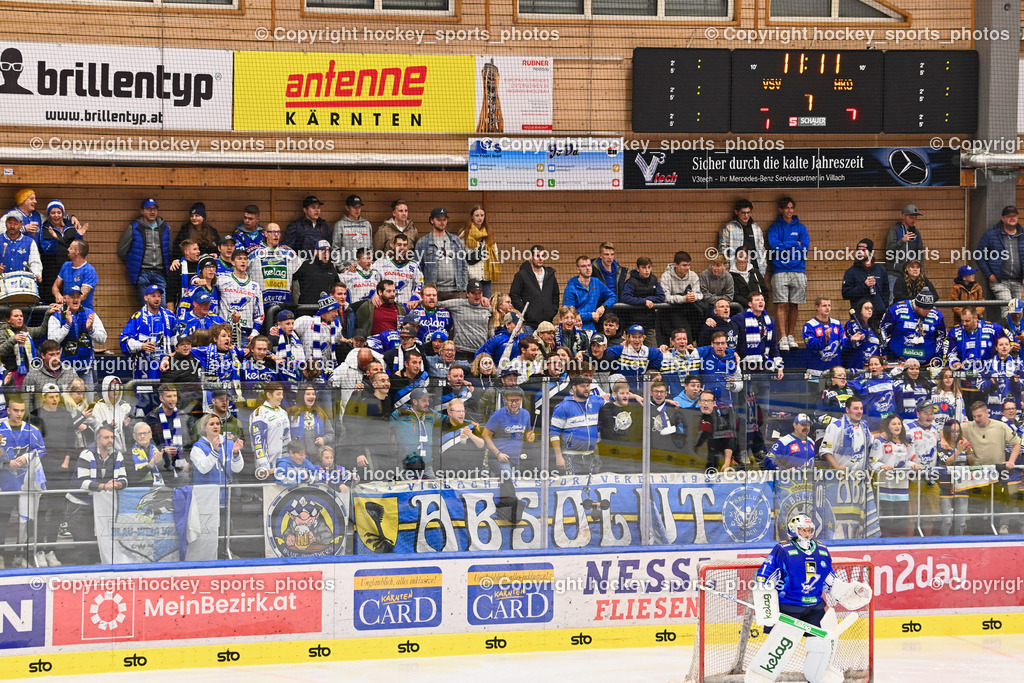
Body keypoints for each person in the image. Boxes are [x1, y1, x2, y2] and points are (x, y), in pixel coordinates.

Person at [752, 515, 873, 683]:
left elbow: (829, 581)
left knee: (821, 643)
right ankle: (762, 676)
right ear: (794, 530)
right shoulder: (783, 549)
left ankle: (817, 675)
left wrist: (846, 591)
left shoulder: (822, 550)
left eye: (809, 530)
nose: (806, 533)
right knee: (781, 646)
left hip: (815, 607)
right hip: (789, 607)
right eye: (803, 529)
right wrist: (765, 599)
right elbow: (766, 575)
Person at [66, 424, 126, 565]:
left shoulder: (118, 454)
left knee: (99, 542)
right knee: (83, 543)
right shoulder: (87, 453)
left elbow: (124, 478)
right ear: (98, 440)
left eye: (112, 437)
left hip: (102, 504)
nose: (110, 440)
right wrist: (105, 486)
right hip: (79, 504)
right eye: (106, 437)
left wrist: (118, 484)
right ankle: (82, 577)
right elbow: (82, 482)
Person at [30, 384, 75, 566]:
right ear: (44, 397)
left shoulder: (65, 414)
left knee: (57, 511)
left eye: (57, 396)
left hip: (61, 469)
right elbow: (32, 443)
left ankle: (51, 550)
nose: (55, 399)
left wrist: (65, 462)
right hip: (41, 469)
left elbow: (71, 441)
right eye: (51, 396)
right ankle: (39, 550)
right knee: (41, 510)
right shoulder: (35, 415)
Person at [960, 400, 1021, 534]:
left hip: (997, 471)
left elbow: (1017, 443)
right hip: (977, 472)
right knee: (977, 506)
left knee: (998, 504)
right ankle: (977, 534)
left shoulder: (1001, 426)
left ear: (987, 413)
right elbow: (948, 428)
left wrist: (1011, 461)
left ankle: (998, 531)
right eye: (974, 416)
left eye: (979, 416)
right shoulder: (968, 426)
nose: (976, 419)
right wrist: (944, 440)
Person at [0, 396, 46, 568]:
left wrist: (27, 457)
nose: (19, 414)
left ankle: (20, 555)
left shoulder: (32, 430)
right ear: (9, 410)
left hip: (26, 486)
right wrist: (6, 462)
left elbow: (41, 449)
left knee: (26, 521)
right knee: (2, 521)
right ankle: (1, 555)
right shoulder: (0, 429)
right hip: (5, 485)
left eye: (22, 411)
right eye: (15, 410)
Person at [767, 196, 809, 350]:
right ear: (781, 209)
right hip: (779, 270)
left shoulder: (801, 228)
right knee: (781, 303)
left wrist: (787, 249)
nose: (789, 211)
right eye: (787, 208)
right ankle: (782, 337)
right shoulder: (775, 227)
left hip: (798, 270)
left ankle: (791, 336)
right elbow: (775, 247)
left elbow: (804, 248)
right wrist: (793, 244)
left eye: (792, 208)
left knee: (794, 304)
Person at [870, 413, 919, 537]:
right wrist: (882, 466)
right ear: (888, 426)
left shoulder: (907, 442)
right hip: (885, 486)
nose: (897, 426)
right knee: (887, 517)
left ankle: (898, 542)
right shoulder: (880, 442)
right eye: (894, 424)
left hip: (902, 486)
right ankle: (885, 541)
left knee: (901, 517)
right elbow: (872, 462)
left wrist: (913, 465)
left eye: (899, 424)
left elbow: (909, 460)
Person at [117, 198, 171, 304]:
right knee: (146, 307)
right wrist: (133, 263)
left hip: (160, 273)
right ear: (142, 211)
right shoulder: (134, 227)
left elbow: (170, 250)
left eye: (154, 209)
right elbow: (122, 251)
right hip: (142, 274)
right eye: (148, 209)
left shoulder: (165, 228)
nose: (152, 212)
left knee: (162, 306)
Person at [975, 205, 1024, 316]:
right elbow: (979, 254)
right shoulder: (991, 235)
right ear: (1003, 218)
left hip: (1018, 281)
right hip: (1000, 282)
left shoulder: (1022, 235)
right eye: (1009, 216)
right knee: (1007, 309)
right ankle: (1008, 333)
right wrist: (989, 274)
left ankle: (1018, 333)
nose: (1012, 218)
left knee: (1018, 311)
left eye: (1014, 216)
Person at [550, 376, 603, 474]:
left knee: (590, 487)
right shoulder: (563, 406)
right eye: (583, 386)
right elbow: (554, 433)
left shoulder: (596, 401)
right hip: (570, 457)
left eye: (588, 386)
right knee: (571, 488)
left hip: (590, 456)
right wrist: (558, 456)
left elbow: (616, 398)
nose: (587, 388)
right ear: (574, 388)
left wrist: (636, 397)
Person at [415, 207, 469, 301]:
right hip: (434, 293)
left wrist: (464, 287)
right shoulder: (423, 243)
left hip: (456, 291)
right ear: (432, 220)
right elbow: (417, 269)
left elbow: (463, 265)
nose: (442, 222)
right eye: (439, 219)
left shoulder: (456, 241)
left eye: (444, 219)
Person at [39, 199, 87, 305]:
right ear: (48, 214)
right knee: (53, 301)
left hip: (70, 270)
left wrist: (79, 236)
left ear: (63, 214)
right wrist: (54, 239)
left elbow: (77, 248)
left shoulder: (70, 226)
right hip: (51, 271)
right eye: (53, 213)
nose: (56, 215)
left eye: (59, 212)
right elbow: (47, 251)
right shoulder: (45, 228)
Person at [905, 400, 941, 535]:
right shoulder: (909, 427)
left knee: (930, 513)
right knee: (911, 514)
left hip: (930, 477)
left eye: (931, 413)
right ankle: (907, 541)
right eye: (926, 413)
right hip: (913, 476)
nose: (929, 416)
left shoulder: (935, 429)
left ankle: (928, 540)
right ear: (918, 414)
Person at [879, 290, 946, 364]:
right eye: (924, 309)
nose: (927, 311)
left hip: (926, 364)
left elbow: (942, 336)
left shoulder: (936, 314)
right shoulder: (897, 309)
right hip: (898, 362)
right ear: (916, 305)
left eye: (930, 308)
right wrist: (884, 352)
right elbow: (883, 330)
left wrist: (938, 356)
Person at [248, 222, 300, 311]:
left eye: (278, 232)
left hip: (283, 303)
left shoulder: (288, 253)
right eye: (273, 232)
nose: (276, 235)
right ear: (266, 234)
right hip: (260, 304)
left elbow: (298, 270)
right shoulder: (254, 252)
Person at [804, 297, 857, 384]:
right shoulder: (809, 325)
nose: (827, 308)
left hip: (834, 373)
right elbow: (810, 345)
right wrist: (824, 339)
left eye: (829, 305)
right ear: (817, 307)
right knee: (816, 397)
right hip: (816, 372)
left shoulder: (836, 324)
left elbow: (843, 342)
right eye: (824, 305)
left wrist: (851, 340)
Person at [145, 384, 190, 484]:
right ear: (161, 398)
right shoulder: (150, 418)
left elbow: (189, 442)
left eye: (175, 396)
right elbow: (146, 444)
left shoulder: (184, 416)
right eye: (169, 396)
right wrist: (163, 450)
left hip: (182, 467)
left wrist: (188, 462)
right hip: (160, 466)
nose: (173, 399)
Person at [390, 387, 441, 476]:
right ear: (415, 401)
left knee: (432, 489)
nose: (428, 404)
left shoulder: (431, 414)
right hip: (406, 466)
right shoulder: (400, 414)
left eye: (428, 401)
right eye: (424, 401)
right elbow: (384, 424)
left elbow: (448, 420)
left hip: (427, 466)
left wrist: (470, 424)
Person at [0, 306, 55, 386]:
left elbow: (43, 330)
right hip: (11, 375)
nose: (19, 318)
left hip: (30, 373)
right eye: (16, 316)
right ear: (8, 320)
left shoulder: (27, 331)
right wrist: (13, 340)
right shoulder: (3, 333)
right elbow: (1, 351)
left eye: (21, 316)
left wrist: (47, 314)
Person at [936, 420, 973, 536]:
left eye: (957, 431)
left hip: (962, 486)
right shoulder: (942, 445)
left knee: (961, 522)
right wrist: (959, 450)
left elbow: (972, 463)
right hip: (945, 485)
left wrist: (968, 452)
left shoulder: (963, 443)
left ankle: (959, 544)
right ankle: (942, 544)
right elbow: (946, 462)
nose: (955, 434)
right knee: (947, 521)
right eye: (952, 431)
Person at [841, 238, 889, 327]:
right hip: (859, 317)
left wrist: (883, 306)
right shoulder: (851, 272)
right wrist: (864, 285)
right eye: (858, 250)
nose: (860, 252)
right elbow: (845, 294)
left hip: (878, 316)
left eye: (863, 250)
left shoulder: (881, 269)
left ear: (871, 252)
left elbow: (886, 291)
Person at [510, 244, 559, 329]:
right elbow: (514, 296)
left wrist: (553, 310)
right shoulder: (521, 275)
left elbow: (556, 294)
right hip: (530, 325)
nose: (540, 258)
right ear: (531, 257)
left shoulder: (550, 274)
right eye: (537, 256)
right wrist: (526, 312)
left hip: (548, 323)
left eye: (542, 256)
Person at [621, 256, 666, 346]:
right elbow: (625, 297)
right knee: (632, 351)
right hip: (633, 323)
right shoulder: (631, 282)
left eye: (649, 267)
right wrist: (643, 301)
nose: (647, 270)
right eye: (644, 267)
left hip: (649, 324)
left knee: (653, 351)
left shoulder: (653, 279)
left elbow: (661, 296)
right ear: (638, 269)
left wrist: (649, 300)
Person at [661, 250, 704, 343]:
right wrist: (684, 298)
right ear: (675, 265)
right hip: (671, 311)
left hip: (690, 310)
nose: (687, 268)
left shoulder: (693, 275)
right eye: (684, 265)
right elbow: (665, 297)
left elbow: (700, 294)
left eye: (689, 265)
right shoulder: (666, 276)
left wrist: (693, 296)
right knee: (684, 335)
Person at [884, 204, 926, 301]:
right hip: (894, 273)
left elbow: (920, 253)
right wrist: (902, 241)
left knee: (911, 300)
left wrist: (921, 271)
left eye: (915, 218)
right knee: (892, 299)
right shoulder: (895, 230)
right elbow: (889, 251)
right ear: (903, 216)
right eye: (911, 217)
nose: (913, 220)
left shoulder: (916, 233)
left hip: (910, 275)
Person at [564, 255, 616, 332]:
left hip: (593, 329)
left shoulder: (596, 282)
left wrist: (603, 307)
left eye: (589, 265)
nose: (587, 268)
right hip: (576, 329)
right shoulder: (571, 288)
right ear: (578, 269)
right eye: (583, 266)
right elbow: (569, 315)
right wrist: (591, 315)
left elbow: (613, 297)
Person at [250, 382, 290, 479]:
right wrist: (264, 466)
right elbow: (258, 442)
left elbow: (287, 438)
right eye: (278, 394)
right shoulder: (259, 413)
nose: (281, 397)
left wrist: (288, 461)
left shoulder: (283, 412)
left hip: (282, 466)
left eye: (282, 394)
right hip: (267, 468)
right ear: (269, 395)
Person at [442, 279, 491, 359]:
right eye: (474, 293)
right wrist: (418, 301)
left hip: (480, 353)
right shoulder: (457, 304)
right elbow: (436, 303)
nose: (477, 296)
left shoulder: (486, 306)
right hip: (461, 352)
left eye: (479, 293)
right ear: (467, 293)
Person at [820, 398, 873, 470]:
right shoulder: (835, 426)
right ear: (847, 410)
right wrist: (838, 468)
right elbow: (826, 452)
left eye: (861, 408)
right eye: (856, 408)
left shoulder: (864, 425)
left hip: (861, 475)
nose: (859, 411)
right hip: (841, 476)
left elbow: (871, 441)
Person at [459, 205, 499, 298]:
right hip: (472, 277)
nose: (480, 218)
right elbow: (460, 255)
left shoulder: (489, 234)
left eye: (482, 215)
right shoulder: (464, 234)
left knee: (485, 305)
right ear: (472, 216)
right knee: (471, 305)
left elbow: (495, 253)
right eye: (477, 215)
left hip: (486, 277)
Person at [718, 199, 767, 274]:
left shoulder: (756, 228)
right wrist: (726, 267)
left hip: (754, 269)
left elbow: (761, 250)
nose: (746, 215)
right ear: (736, 212)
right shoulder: (729, 228)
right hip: (735, 269)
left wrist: (763, 268)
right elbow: (723, 249)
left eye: (748, 213)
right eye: (743, 213)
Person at [694, 389, 736, 471]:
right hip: (692, 460)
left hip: (712, 460)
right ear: (699, 402)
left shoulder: (721, 420)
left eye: (709, 401)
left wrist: (726, 463)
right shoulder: (691, 413)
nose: (706, 403)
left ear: (714, 403)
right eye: (703, 401)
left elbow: (729, 442)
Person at [293, 239, 342, 306]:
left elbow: (338, 286)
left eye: (328, 251)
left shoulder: (331, 267)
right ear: (315, 252)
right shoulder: (306, 265)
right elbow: (293, 279)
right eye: (323, 251)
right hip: (306, 308)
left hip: (326, 309)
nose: (326, 254)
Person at [52, 240, 98, 310]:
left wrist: (64, 301)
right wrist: (57, 295)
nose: (68, 250)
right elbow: (55, 286)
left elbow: (82, 296)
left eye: (70, 248)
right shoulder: (66, 266)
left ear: (77, 252)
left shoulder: (89, 270)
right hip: (67, 310)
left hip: (83, 312)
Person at [0, 211, 43, 284]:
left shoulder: (30, 242)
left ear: (21, 225)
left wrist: (36, 274)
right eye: (10, 223)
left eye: (15, 224)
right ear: (5, 223)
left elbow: (35, 262)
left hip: (22, 284)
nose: (12, 226)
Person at [332, 194, 372, 269]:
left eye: (359, 207)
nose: (357, 209)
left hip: (365, 269)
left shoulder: (367, 225)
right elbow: (335, 249)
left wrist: (369, 264)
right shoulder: (340, 225)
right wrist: (341, 268)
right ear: (347, 207)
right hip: (348, 269)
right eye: (354, 207)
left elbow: (370, 248)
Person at [842, 298, 880, 371]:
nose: (869, 310)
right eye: (866, 308)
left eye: (871, 308)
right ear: (860, 310)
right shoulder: (851, 324)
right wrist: (851, 341)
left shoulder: (874, 326)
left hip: (871, 368)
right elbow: (844, 345)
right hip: (856, 367)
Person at [125, 421, 164, 488]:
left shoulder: (160, 451)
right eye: (139, 434)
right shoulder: (128, 454)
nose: (142, 436)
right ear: (134, 436)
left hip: (160, 490)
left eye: (145, 433)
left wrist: (160, 463)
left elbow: (170, 476)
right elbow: (130, 479)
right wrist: (150, 465)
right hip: (140, 490)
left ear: (150, 434)